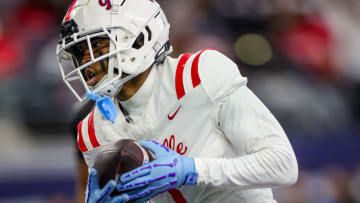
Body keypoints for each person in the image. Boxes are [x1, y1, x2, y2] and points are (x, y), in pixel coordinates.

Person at [56, 0, 298, 202]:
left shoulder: (198, 75)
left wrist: (191, 170)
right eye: (79, 52)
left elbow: (282, 165)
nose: (85, 62)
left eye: (97, 46)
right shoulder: (93, 131)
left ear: (139, 39)